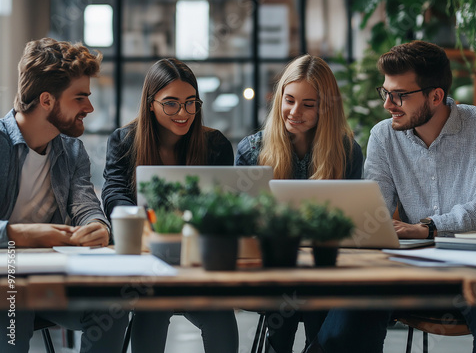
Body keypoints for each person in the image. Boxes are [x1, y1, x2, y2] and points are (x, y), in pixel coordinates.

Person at [305, 40, 476, 353]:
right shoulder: (383, 136)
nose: (388, 104)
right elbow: (374, 212)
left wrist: (427, 227)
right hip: (409, 270)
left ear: (436, 96)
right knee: (341, 331)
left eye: (399, 95)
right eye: (385, 92)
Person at [0, 37, 129, 353]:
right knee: (13, 319)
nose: (90, 107)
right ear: (47, 100)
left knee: (113, 307)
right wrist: (21, 234)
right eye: (80, 97)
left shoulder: (72, 151)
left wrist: (97, 225)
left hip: (51, 281)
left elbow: (85, 202)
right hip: (7, 283)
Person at [101, 57, 238, 353]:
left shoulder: (215, 145)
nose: (183, 113)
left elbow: (225, 203)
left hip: (199, 265)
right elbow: (113, 194)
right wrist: (143, 222)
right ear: (151, 102)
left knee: (220, 318)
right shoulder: (125, 141)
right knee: (152, 309)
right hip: (148, 265)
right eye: (171, 103)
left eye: (191, 103)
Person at [236, 54, 363, 353]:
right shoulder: (253, 149)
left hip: (325, 264)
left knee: (315, 288)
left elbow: (349, 222)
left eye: (309, 104)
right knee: (291, 288)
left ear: (326, 108)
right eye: (289, 100)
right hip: (273, 263)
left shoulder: (346, 150)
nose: (295, 111)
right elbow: (245, 220)